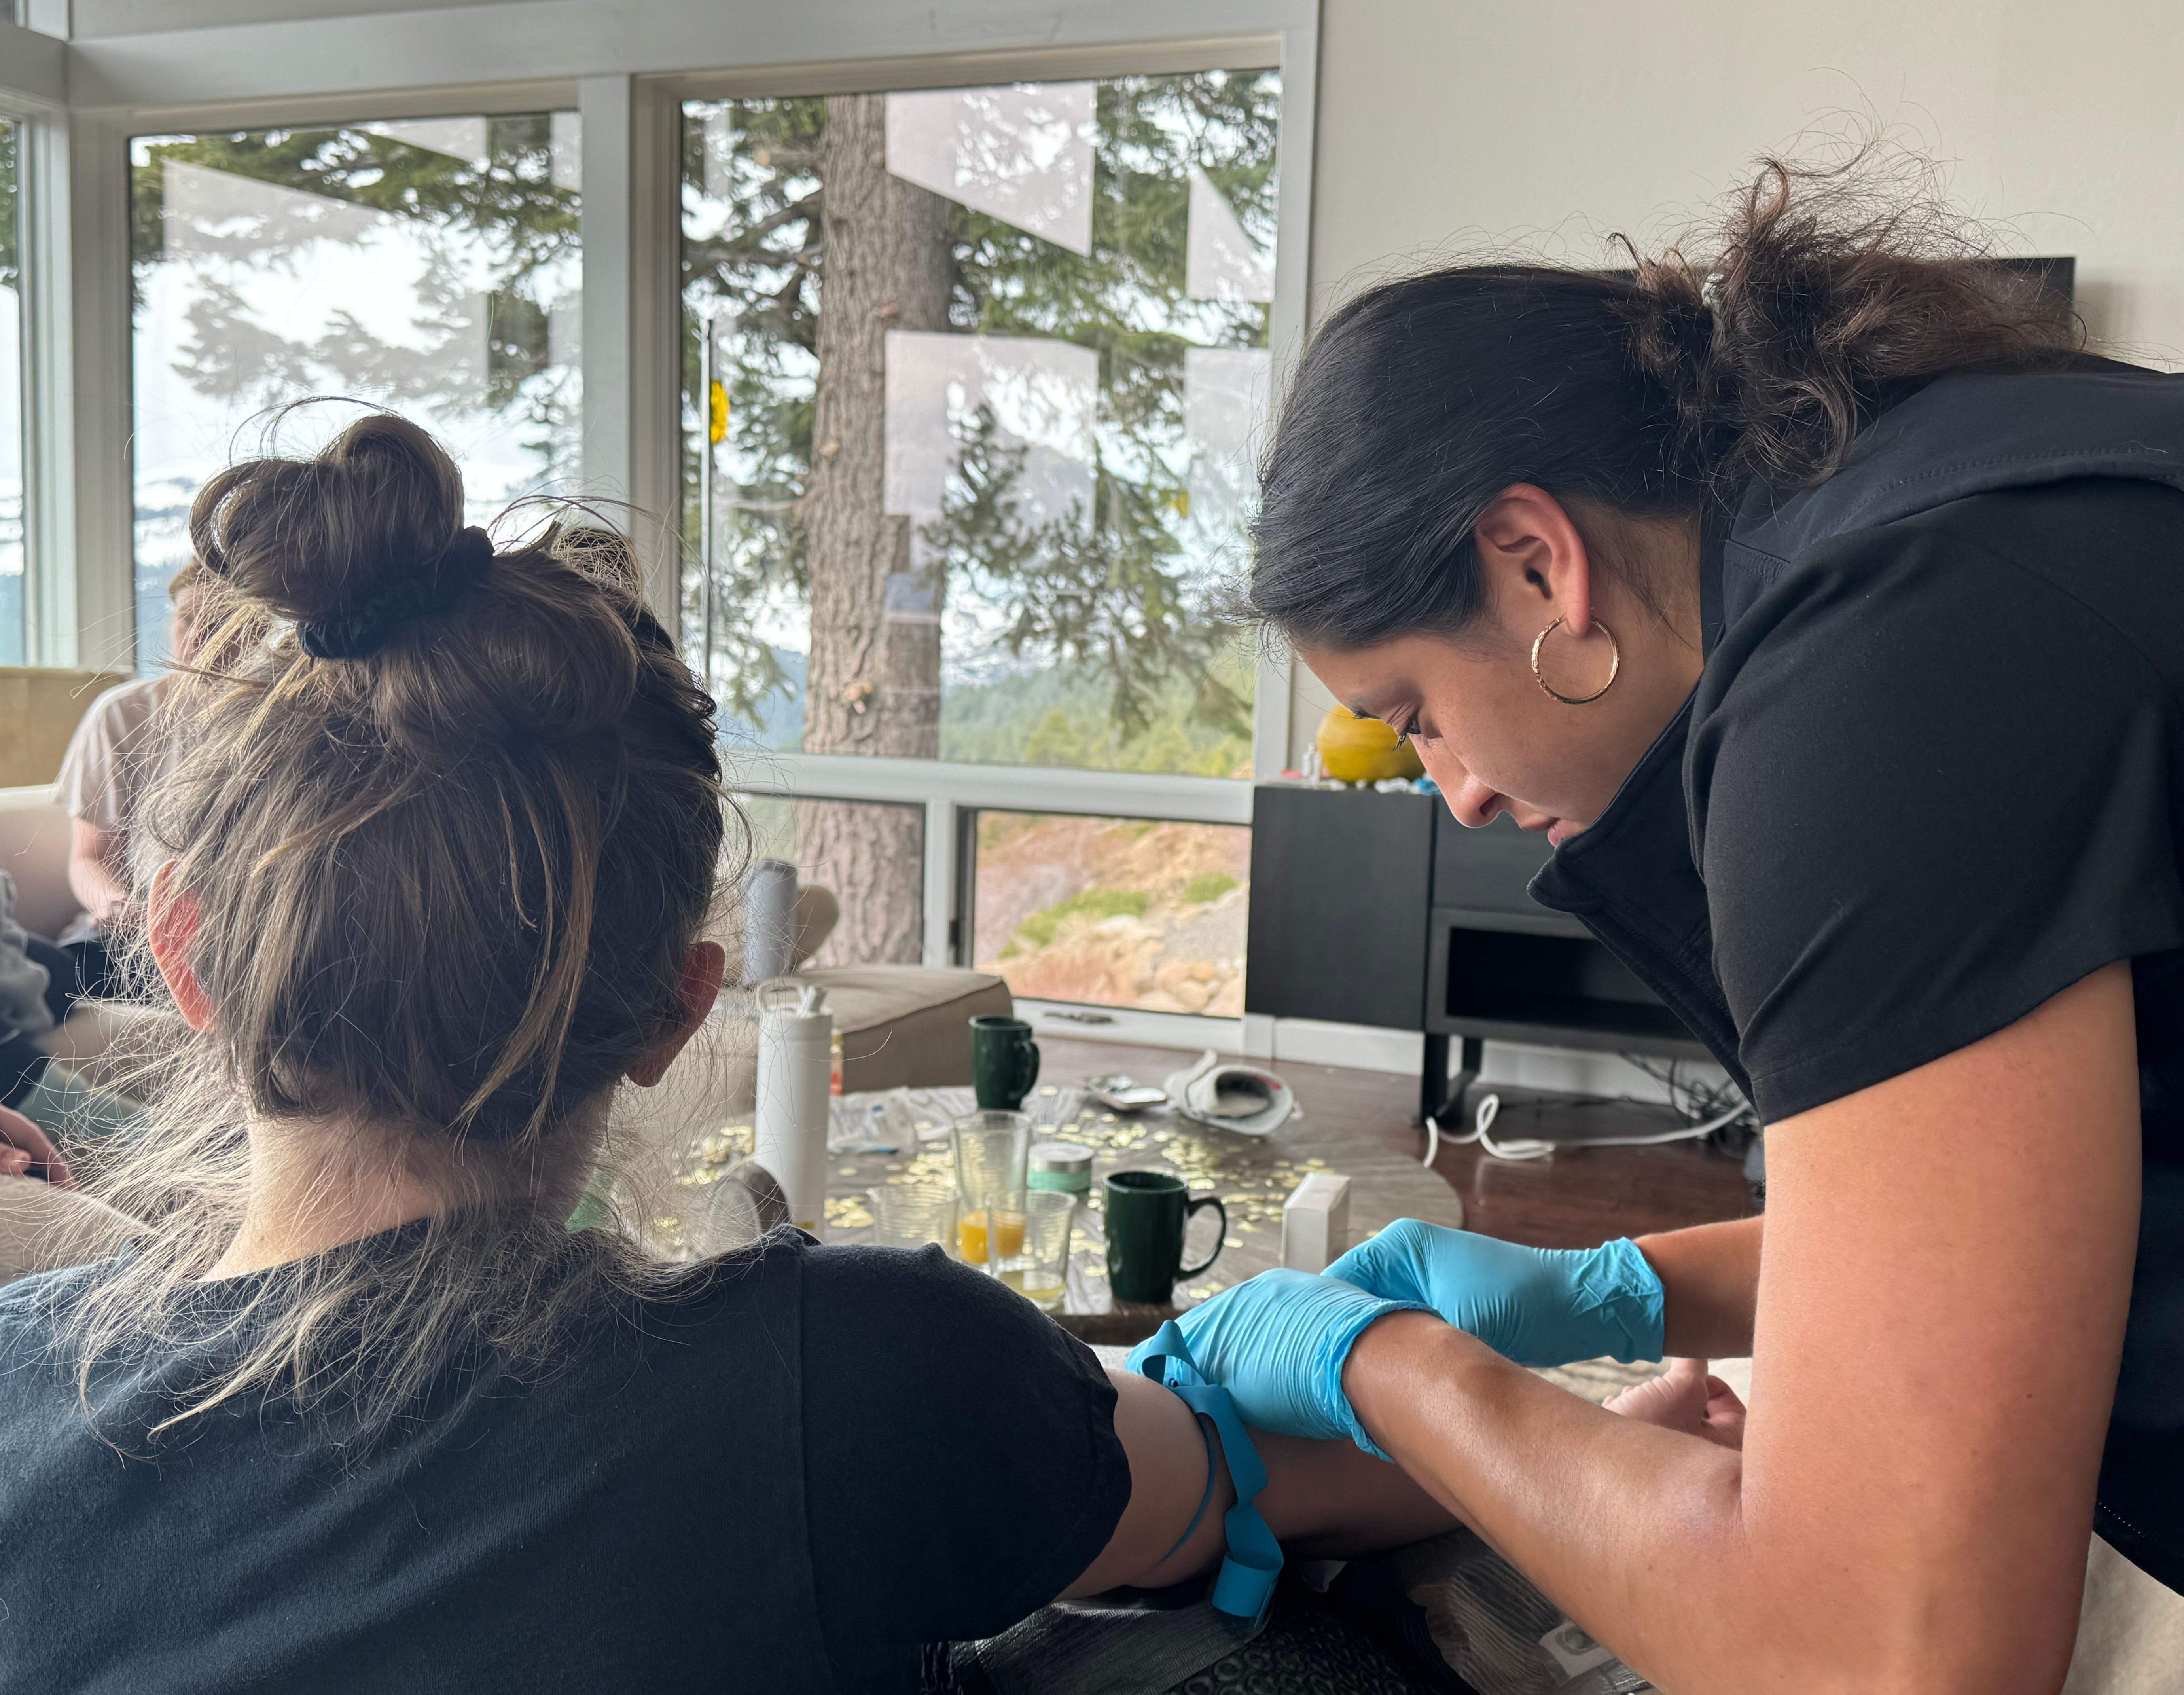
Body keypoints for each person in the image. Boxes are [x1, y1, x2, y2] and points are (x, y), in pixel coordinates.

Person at [0, 415, 1454, 1693]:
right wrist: (1526, 1431)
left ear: (183, 953)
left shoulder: (20, 1380)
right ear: (677, 1010)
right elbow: (1264, 1486)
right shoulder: (865, 1375)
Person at [1131, 155, 2184, 1691]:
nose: (1450, 794)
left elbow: (1883, 1658)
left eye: (1415, 716)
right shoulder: (1967, 492)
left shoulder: (1874, 684)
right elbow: (1998, 1224)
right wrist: (1631, 1288)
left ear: (1537, 564)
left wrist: (1386, 1373)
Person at [49, 558, 214, 1002]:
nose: (200, 638)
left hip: (233, 944)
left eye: (220, 624)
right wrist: (119, 907)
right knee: (55, 978)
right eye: (188, 620)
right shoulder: (124, 715)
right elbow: (88, 859)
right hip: (130, 937)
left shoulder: (287, 725)